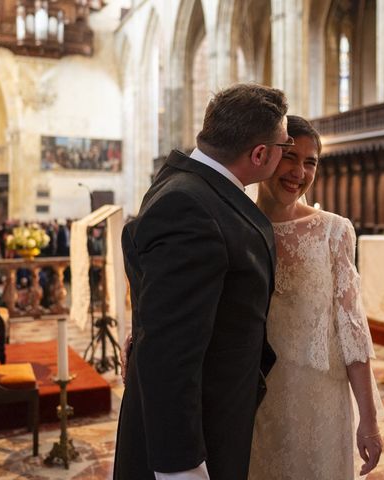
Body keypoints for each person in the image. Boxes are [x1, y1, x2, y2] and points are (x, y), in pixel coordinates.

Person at [114, 83, 290, 480]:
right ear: (260, 154)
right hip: (197, 434)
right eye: (285, 143)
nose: (286, 152)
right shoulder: (192, 207)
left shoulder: (185, 182)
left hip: (214, 412)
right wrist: (182, 469)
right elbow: (170, 353)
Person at [249, 115, 384, 479]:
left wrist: (368, 421)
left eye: (311, 162)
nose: (299, 171)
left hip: (322, 395)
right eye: (291, 157)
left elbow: (353, 330)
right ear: (265, 156)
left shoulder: (334, 231)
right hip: (255, 397)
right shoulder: (237, 225)